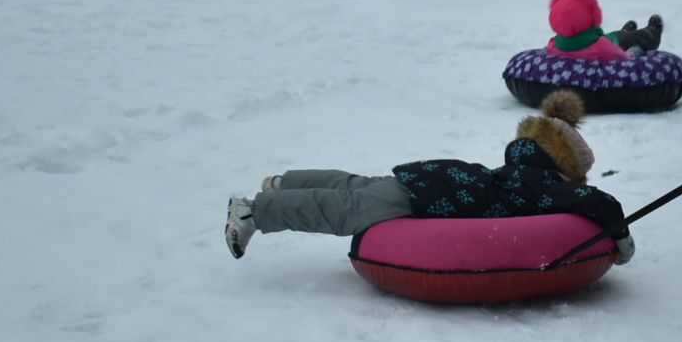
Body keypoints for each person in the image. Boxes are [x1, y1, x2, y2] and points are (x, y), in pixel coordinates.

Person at [226, 88, 635, 262]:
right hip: (424, 199)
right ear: (564, 166)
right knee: (344, 210)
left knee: (355, 186)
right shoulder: (542, 185)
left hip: (428, 180)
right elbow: (597, 203)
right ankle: (255, 212)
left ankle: (285, 182)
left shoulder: (514, 171)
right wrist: (622, 241)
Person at [544, 0, 663, 59]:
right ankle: (652, 31)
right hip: (616, 47)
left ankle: (625, 31)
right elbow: (620, 57)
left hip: (604, 39)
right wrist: (634, 53)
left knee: (614, 35)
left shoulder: (554, 44)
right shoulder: (600, 46)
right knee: (633, 40)